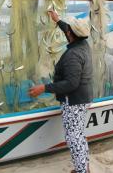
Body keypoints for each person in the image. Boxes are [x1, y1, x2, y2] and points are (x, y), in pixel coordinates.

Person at [29, 10, 92, 173]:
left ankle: (82, 171)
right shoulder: (83, 44)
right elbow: (69, 30)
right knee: (78, 134)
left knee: (73, 138)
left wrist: (44, 88)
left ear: (71, 34)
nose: (67, 31)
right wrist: (57, 20)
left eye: (68, 30)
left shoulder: (73, 55)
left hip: (74, 101)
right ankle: (84, 167)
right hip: (83, 98)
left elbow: (71, 83)